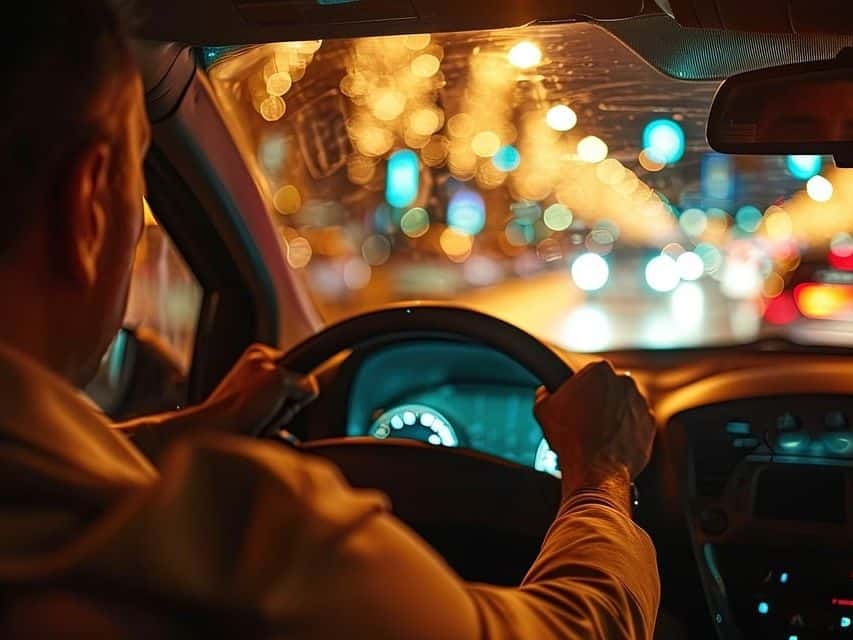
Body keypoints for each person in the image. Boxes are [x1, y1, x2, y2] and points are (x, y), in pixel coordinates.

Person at [0, 2, 659, 638]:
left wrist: (198, 425)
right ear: (88, 207)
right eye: (138, 181)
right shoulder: (256, 549)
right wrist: (599, 474)